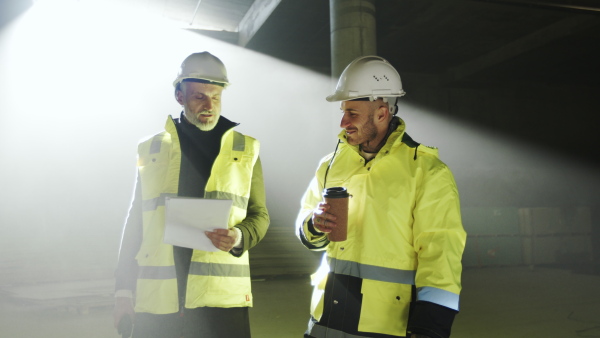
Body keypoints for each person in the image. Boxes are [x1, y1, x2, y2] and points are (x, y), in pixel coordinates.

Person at [295, 55, 466, 338]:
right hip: (325, 320)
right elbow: (306, 228)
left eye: (353, 113)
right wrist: (314, 225)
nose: (342, 122)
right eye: (343, 111)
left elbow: (441, 253)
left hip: (386, 326)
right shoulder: (330, 164)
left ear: (382, 113)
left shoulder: (426, 171)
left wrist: (430, 327)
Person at [113, 51, 270, 338]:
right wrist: (123, 290)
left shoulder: (246, 149)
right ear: (179, 96)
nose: (209, 105)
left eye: (216, 96)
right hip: (161, 297)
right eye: (199, 97)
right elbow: (135, 220)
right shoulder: (151, 149)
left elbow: (260, 216)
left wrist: (238, 237)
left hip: (219, 300)